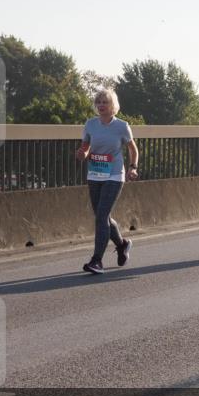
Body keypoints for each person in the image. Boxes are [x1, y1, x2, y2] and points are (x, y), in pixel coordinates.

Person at [75, 89, 138, 274]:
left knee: (102, 216)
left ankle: (96, 261)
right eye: (99, 102)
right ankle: (122, 244)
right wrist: (82, 154)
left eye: (105, 102)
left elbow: (133, 149)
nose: (101, 105)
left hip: (114, 175)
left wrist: (133, 167)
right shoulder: (90, 124)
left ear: (113, 106)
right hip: (95, 174)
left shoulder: (122, 126)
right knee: (103, 218)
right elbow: (85, 147)